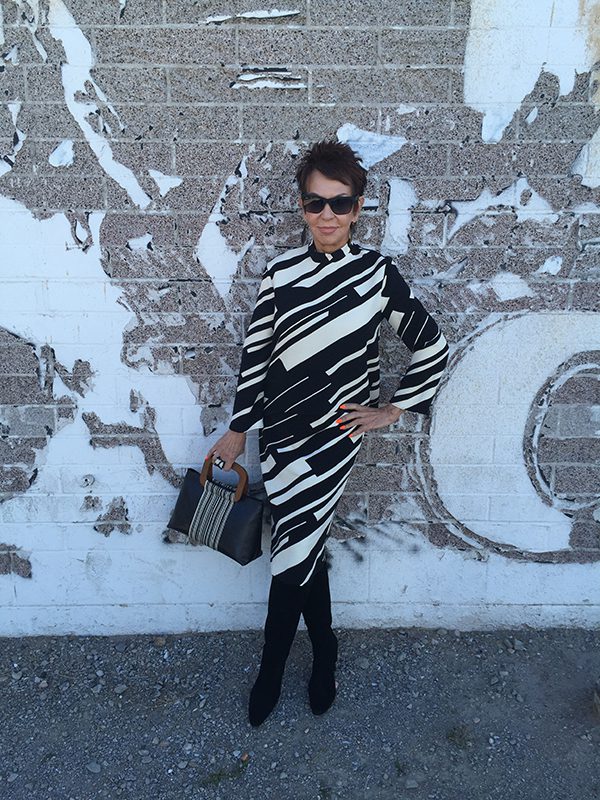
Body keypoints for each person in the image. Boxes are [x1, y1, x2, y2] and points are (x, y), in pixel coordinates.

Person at [204, 140, 449, 727]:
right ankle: (326, 652)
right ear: (301, 207)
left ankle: (271, 672)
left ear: (359, 207)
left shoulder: (376, 275)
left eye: (340, 204)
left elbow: (432, 345)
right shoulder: (280, 273)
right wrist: (239, 433)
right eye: (316, 204)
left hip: (335, 442)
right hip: (282, 440)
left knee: (292, 555)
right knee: (302, 551)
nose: (328, 215)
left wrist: (390, 410)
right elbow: (257, 357)